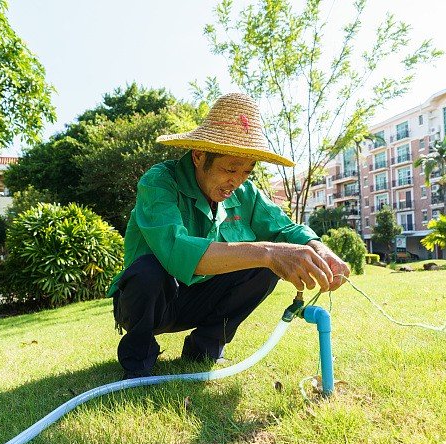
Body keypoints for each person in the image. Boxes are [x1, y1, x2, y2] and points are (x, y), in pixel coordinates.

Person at [107, 93, 350, 379]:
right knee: (148, 270)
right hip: (150, 303)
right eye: (230, 168)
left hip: (200, 300)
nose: (236, 181)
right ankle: (139, 358)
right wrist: (268, 252)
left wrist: (318, 247)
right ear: (199, 157)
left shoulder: (246, 193)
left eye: (246, 171)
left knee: (265, 262)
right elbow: (176, 250)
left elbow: (284, 229)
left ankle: (204, 348)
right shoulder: (159, 182)